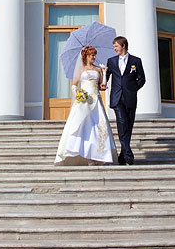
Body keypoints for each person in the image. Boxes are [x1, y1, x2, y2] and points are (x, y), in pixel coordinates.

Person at [54, 45, 116, 166]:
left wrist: (104, 72)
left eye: (94, 55)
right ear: (86, 56)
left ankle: (99, 155)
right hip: (84, 101)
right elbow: (74, 84)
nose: (94, 57)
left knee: (98, 126)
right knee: (83, 126)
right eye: (92, 55)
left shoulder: (98, 70)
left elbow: (102, 87)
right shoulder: (81, 70)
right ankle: (86, 155)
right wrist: (78, 95)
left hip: (95, 100)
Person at [105, 35, 145, 165]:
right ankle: (128, 152)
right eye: (114, 46)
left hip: (130, 97)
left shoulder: (136, 61)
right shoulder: (111, 61)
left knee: (129, 124)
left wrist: (133, 89)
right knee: (121, 121)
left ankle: (123, 155)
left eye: (116, 46)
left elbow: (142, 79)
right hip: (116, 97)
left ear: (123, 46)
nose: (114, 48)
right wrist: (102, 80)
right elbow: (106, 77)